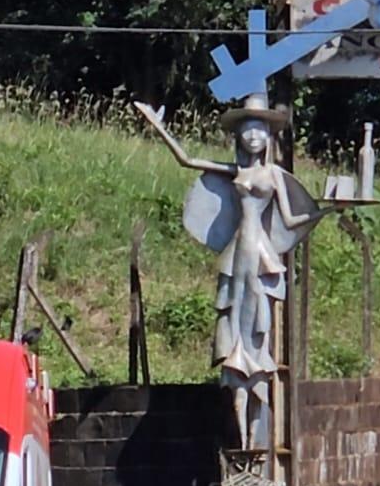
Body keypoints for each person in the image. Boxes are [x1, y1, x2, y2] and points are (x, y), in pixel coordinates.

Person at [133, 93, 338, 450]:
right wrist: (159, 126)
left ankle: (257, 408)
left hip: (260, 250)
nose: (253, 137)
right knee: (233, 316)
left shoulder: (274, 174)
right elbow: (187, 160)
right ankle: (239, 415)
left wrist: (325, 211)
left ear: (268, 138)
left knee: (259, 320)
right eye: (247, 131)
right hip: (237, 251)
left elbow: (290, 220)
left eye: (260, 131)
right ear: (239, 137)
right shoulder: (236, 171)